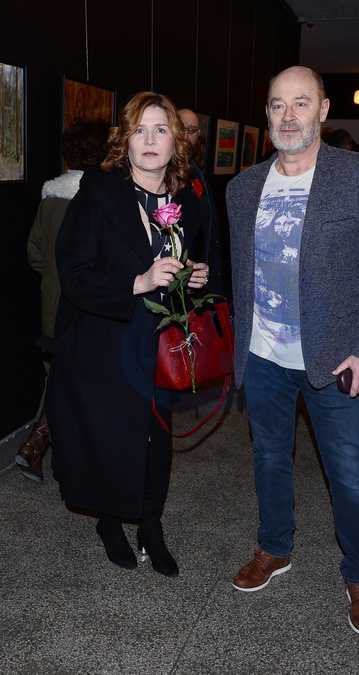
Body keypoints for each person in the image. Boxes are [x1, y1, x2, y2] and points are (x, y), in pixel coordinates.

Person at [226, 66, 359, 636]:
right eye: (277, 104)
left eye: (300, 103)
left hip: (334, 357)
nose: (288, 116)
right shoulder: (242, 187)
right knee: (268, 457)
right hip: (262, 355)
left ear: (323, 111)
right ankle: (274, 546)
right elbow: (244, 272)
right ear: (267, 114)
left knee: (348, 473)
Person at [45, 92, 209, 575]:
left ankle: (151, 523)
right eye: (140, 130)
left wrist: (193, 277)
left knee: (157, 437)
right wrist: (138, 281)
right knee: (111, 437)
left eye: (161, 130)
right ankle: (110, 520)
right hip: (103, 341)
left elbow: (187, 264)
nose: (150, 140)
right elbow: (74, 276)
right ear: (125, 141)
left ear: (176, 141)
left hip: (159, 342)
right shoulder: (98, 195)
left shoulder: (186, 201)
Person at [16, 118, 110, 482]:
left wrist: (56, 279)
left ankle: (41, 448)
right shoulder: (103, 199)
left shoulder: (51, 198)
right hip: (91, 305)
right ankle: (41, 447)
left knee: (60, 374)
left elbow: (35, 253)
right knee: (76, 381)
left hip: (53, 300)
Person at [177, 108, 223, 294]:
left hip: (196, 278)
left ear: (198, 135)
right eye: (180, 128)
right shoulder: (159, 173)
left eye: (191, 130)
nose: (185, 136)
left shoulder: (196, 172)